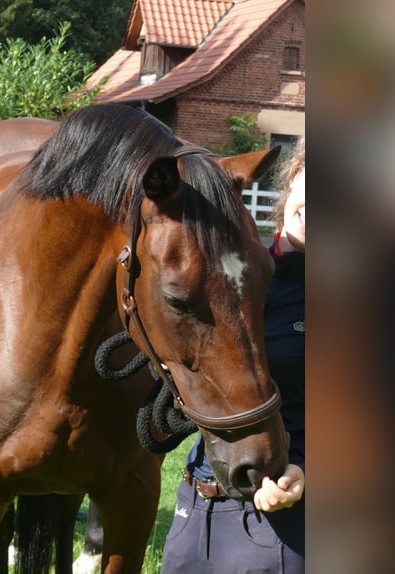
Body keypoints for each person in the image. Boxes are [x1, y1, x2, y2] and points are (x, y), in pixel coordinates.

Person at [160, 138, 305, 573]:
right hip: (195, 501)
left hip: (279, 518)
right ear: (291, 182)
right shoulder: (227, 272)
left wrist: (305, 469)